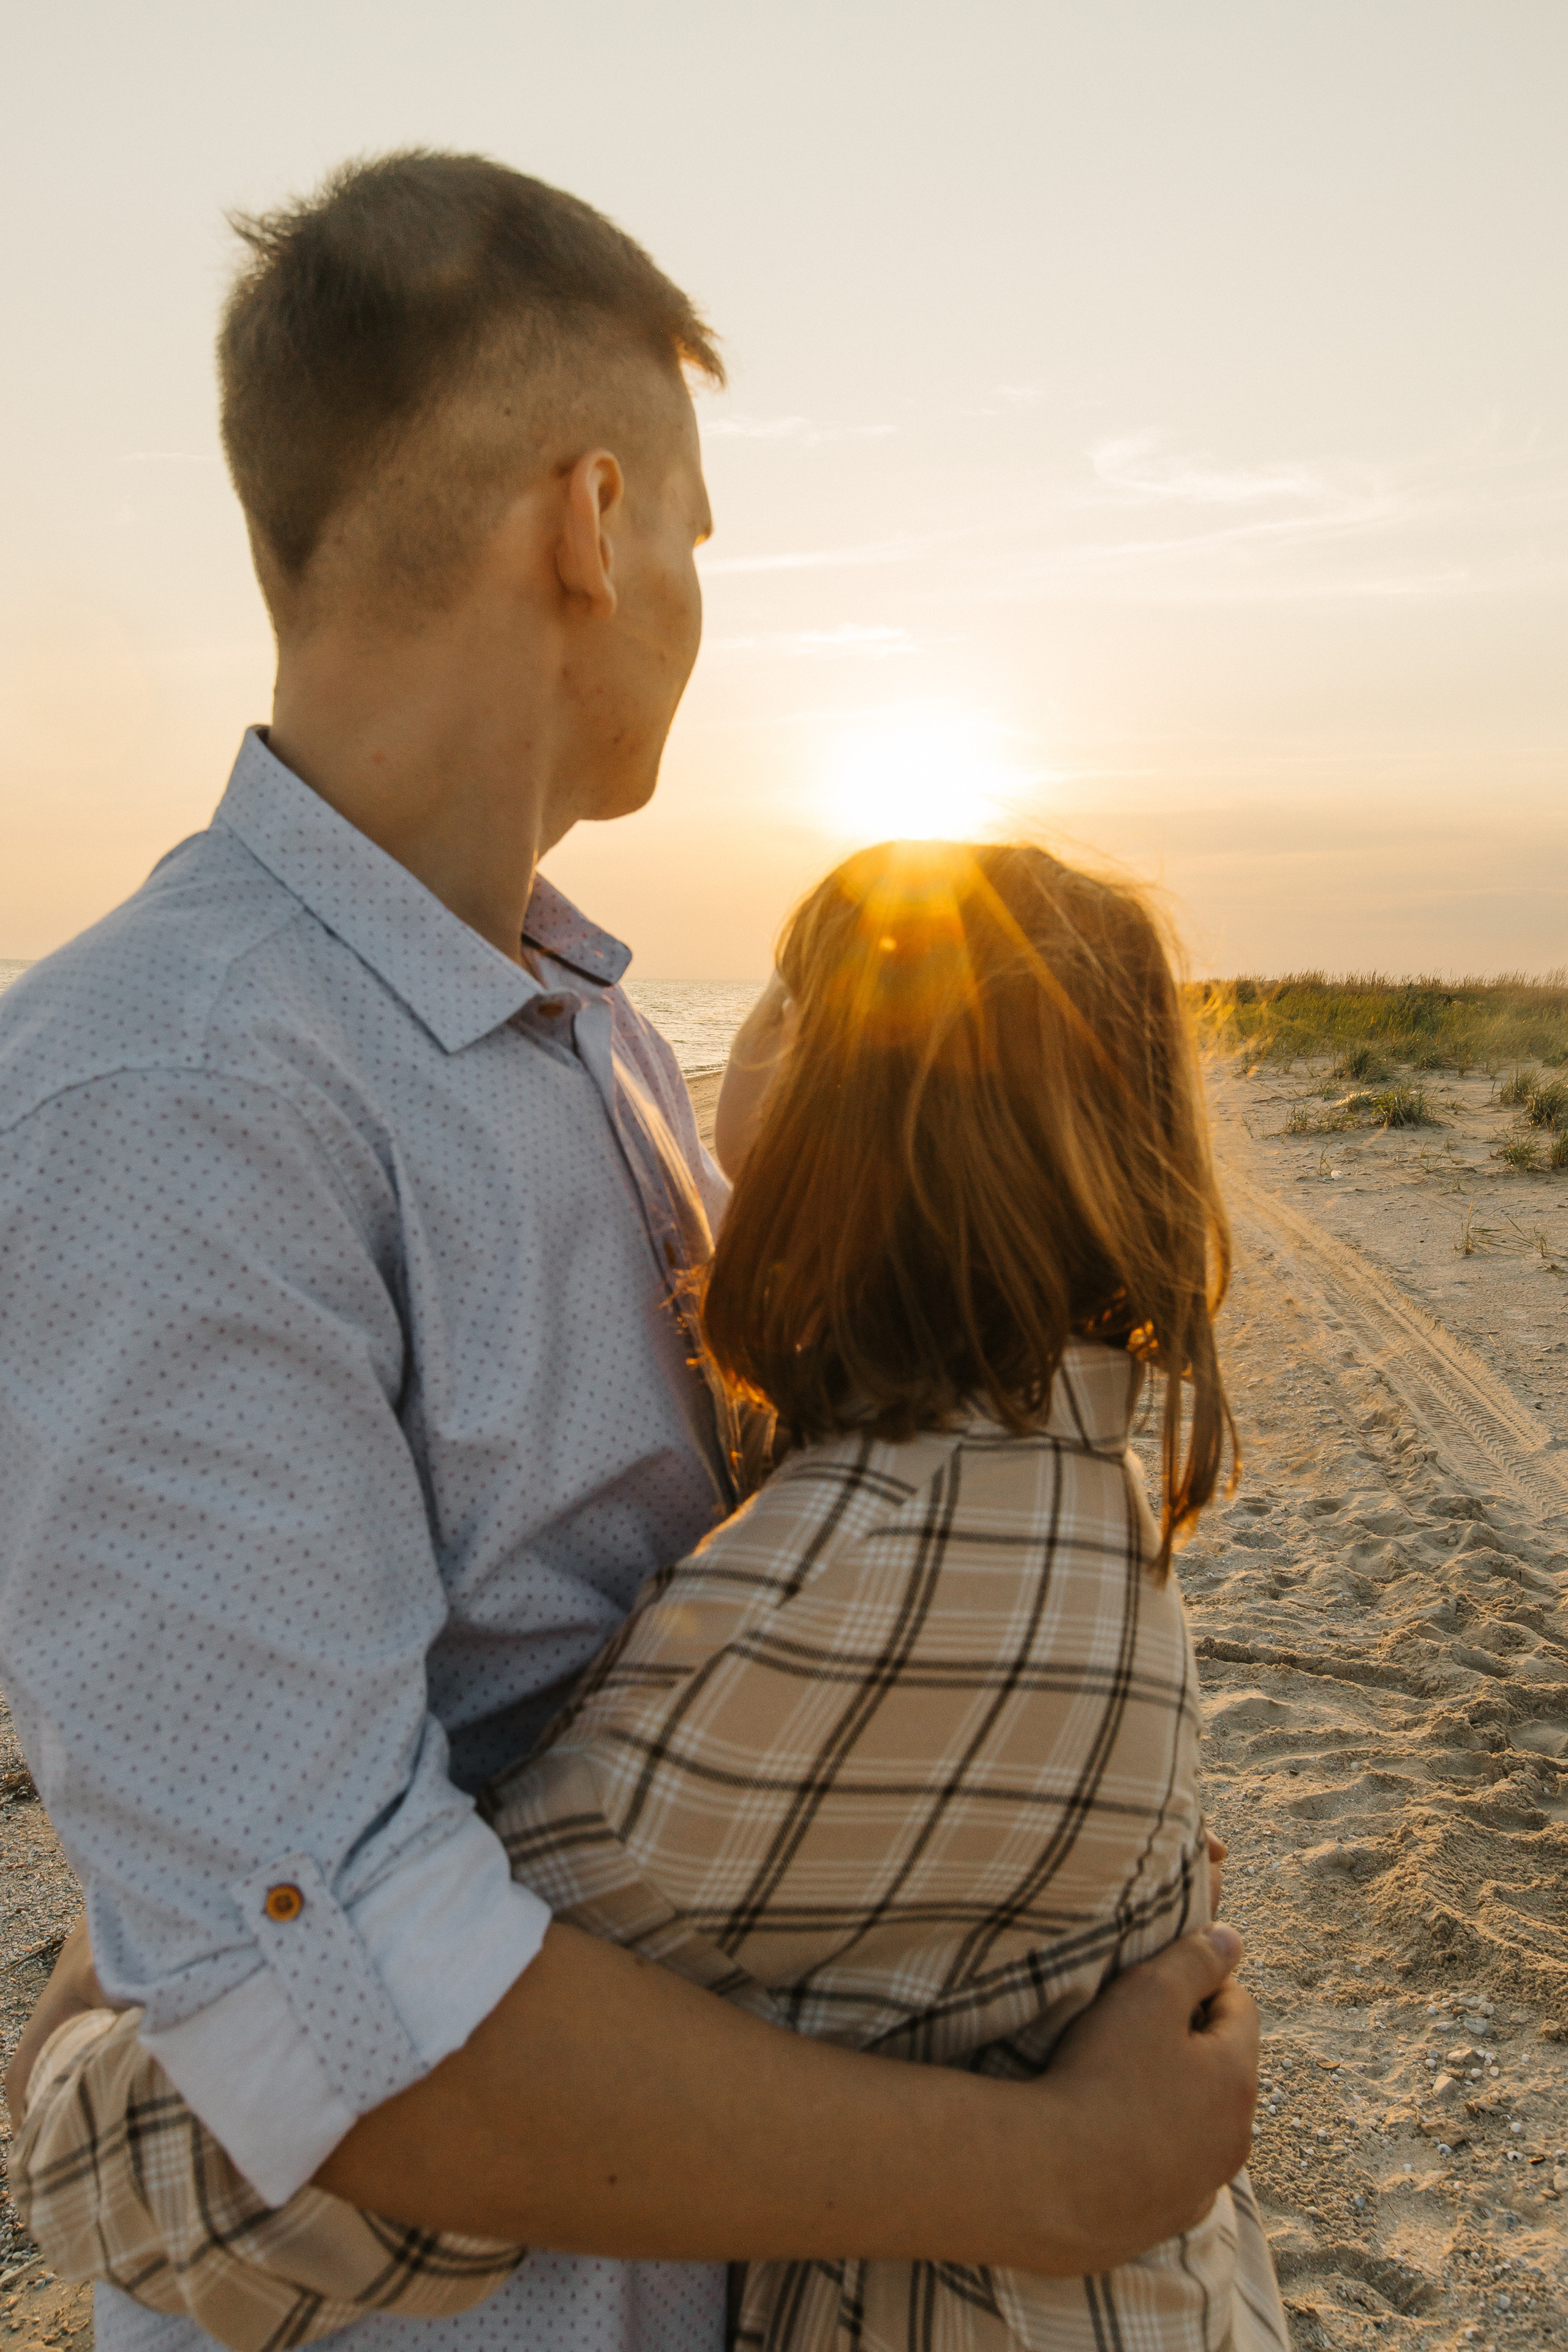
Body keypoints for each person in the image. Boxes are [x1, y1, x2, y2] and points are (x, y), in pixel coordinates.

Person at [0, 152, 1259, 2352]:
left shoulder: (588, 1046)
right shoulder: (177, 1093)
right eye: (695, 534)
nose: (694, 593)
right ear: (590, 522)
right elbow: (350, 2036)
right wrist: (1059, 2174)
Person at [13, 839, 1284, 2352]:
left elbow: (408, 2098)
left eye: (764, 1010)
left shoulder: (830, 1608)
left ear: (825, 1093)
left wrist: (76, 2066)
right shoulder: (1059, 1482)